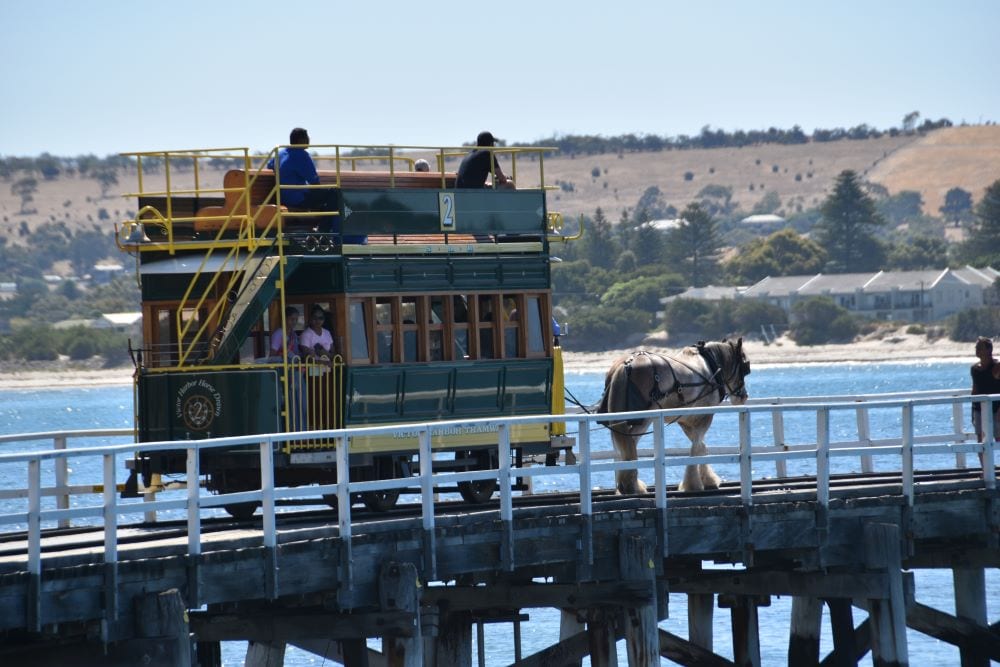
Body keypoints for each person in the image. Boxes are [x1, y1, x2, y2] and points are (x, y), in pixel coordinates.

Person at [266, 127, 338, 233]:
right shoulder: (301, 155)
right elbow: (314, 182)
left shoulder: (280, 153)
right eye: (307, 137)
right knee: (334, 193)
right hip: (298, 199)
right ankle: (323, 231)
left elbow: (269, 165)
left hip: (282, 197)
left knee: (324, 200)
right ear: (301, 140)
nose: (309, 139)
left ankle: (320, 226)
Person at [970, 336, 1000, 464]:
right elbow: (975, 390)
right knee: (980, 440)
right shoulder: (975, 369)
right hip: (979, 409)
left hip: (996, 409)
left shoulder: (996, 367)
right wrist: (972, 411)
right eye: (976, 347)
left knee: (998, 438)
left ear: (988, 350)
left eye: (979, 347)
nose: (976, 350)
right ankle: (986, 469)